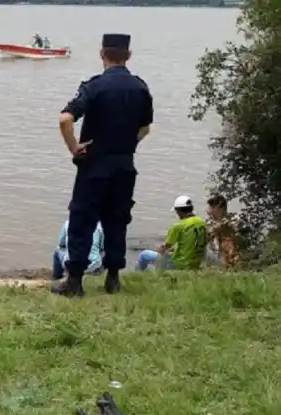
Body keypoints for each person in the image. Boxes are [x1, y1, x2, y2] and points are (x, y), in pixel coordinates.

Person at [53, 33, 154, 297]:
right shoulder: (141, 88)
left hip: (95, 167)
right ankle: (113, 279)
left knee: (82, 220)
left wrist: (74, 147)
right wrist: (127, 145)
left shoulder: (94, 87)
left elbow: (65, 119)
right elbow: (144, 129)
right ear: (128, 56)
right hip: (124, 166)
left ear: (102, 54)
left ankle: (74, 281)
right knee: (117, 220)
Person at [136, 195, 209, 271]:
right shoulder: (202, 222)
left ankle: (137, 275)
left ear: (178, 211)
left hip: (180, 264)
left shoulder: (178, 226)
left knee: (144, 255)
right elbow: (192, 241)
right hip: (197, 263)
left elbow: (165, 247)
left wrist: (157, 250)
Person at [205, 194, 240, 268]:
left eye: (212, 207)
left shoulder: (233, 219)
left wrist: (218, 227)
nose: (208, 210)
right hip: (216, 255)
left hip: (230, 254)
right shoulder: (210, 222)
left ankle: (230, 264)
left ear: (220, 207)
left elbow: (234, 228)